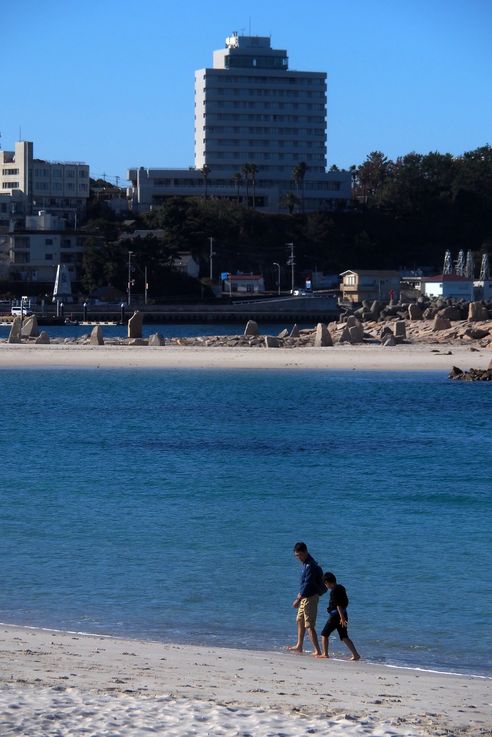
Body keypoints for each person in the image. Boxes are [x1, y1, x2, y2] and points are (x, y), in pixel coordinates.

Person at [288, 541, 323, 656]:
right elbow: (304, 583)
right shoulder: (306, 563)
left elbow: (308, 584)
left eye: (300, 555)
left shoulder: (310, 565)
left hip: (310, 597)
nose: (298, 558)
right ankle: (299, 645)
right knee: (299, 620)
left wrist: (298, 599)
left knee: (309, 624)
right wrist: (299, 595)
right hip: (304, 596)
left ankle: (317, 650)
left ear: (306, 552)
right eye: (297, 556)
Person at [318, 571, 360, 660]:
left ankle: (325, 653)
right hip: (343, 613)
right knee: (344, 636)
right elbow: (345, 602)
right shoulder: (341, 587)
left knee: (324, 634)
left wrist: (341, 618)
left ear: (327, 583)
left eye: (326, 584)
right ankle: (356, 654)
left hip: (336, 616)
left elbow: (338, 605)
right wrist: (343, 617)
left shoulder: (333, 592)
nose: (326, 586)